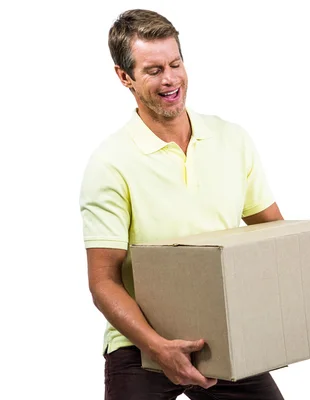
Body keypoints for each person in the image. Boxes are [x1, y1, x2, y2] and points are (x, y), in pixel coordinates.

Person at [79, 9, 286, 400]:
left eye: (175, 63)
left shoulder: (232, 140)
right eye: (153, 70)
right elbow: (103, 281)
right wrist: (159, 347)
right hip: (139, 344)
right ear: (125, 77)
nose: (170, 78)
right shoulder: (110, 164)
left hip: (221, 332)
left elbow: (274, 234)